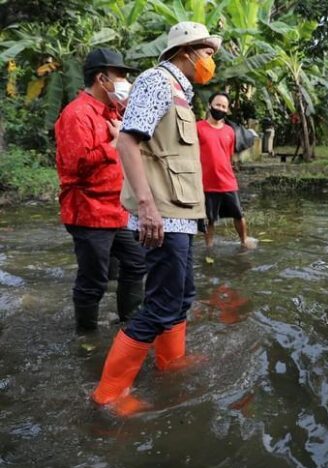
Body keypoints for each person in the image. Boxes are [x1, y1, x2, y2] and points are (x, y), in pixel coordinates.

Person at [92, 22, 222, 416]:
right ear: (185, 51)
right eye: (207, 52)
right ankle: (109, 395)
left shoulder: (181, 92)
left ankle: (170, 362)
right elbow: (129, 141)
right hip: (161, 215)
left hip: (180, 216)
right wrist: (146, 206)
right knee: (161, 305)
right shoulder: (155, 82)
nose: (209, 61)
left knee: (180, 298)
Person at [54, 48, 145, 331]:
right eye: (120, 75)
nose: (125, 81)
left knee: (136, 263)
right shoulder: (76, 114)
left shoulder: (113, 111)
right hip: (89, 212)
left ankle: (129, 324)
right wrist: (113, 143)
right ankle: (87, 337)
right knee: (93, 279)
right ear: (101, 78)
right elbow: (75, 165)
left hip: (118, 210)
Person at [197, 91, 255, 253]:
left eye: (224, 106)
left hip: (227, 181)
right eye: (217, 105)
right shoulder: (198, 128)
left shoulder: (230, 131)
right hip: (207, 183)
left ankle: (244, 241)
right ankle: (208, 248)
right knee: (210, 219)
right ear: (210, 105)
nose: (220, 109)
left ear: (227, 110)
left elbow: (228, 155)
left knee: (238, 214)